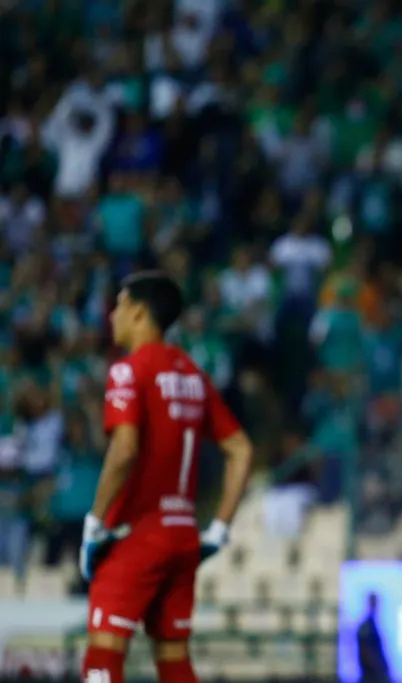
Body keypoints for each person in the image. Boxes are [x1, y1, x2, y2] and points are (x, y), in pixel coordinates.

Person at [79, 271, 254, 683]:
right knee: (174, 659)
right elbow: (241, 450)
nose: (111, 316)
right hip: (183, 537)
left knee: (102, 660)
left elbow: (124, 450)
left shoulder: (128, 371)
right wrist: (220, 529)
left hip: (134, 535)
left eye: (119, 305)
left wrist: (95, 521)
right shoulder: (192, 374)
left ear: (138, 312)